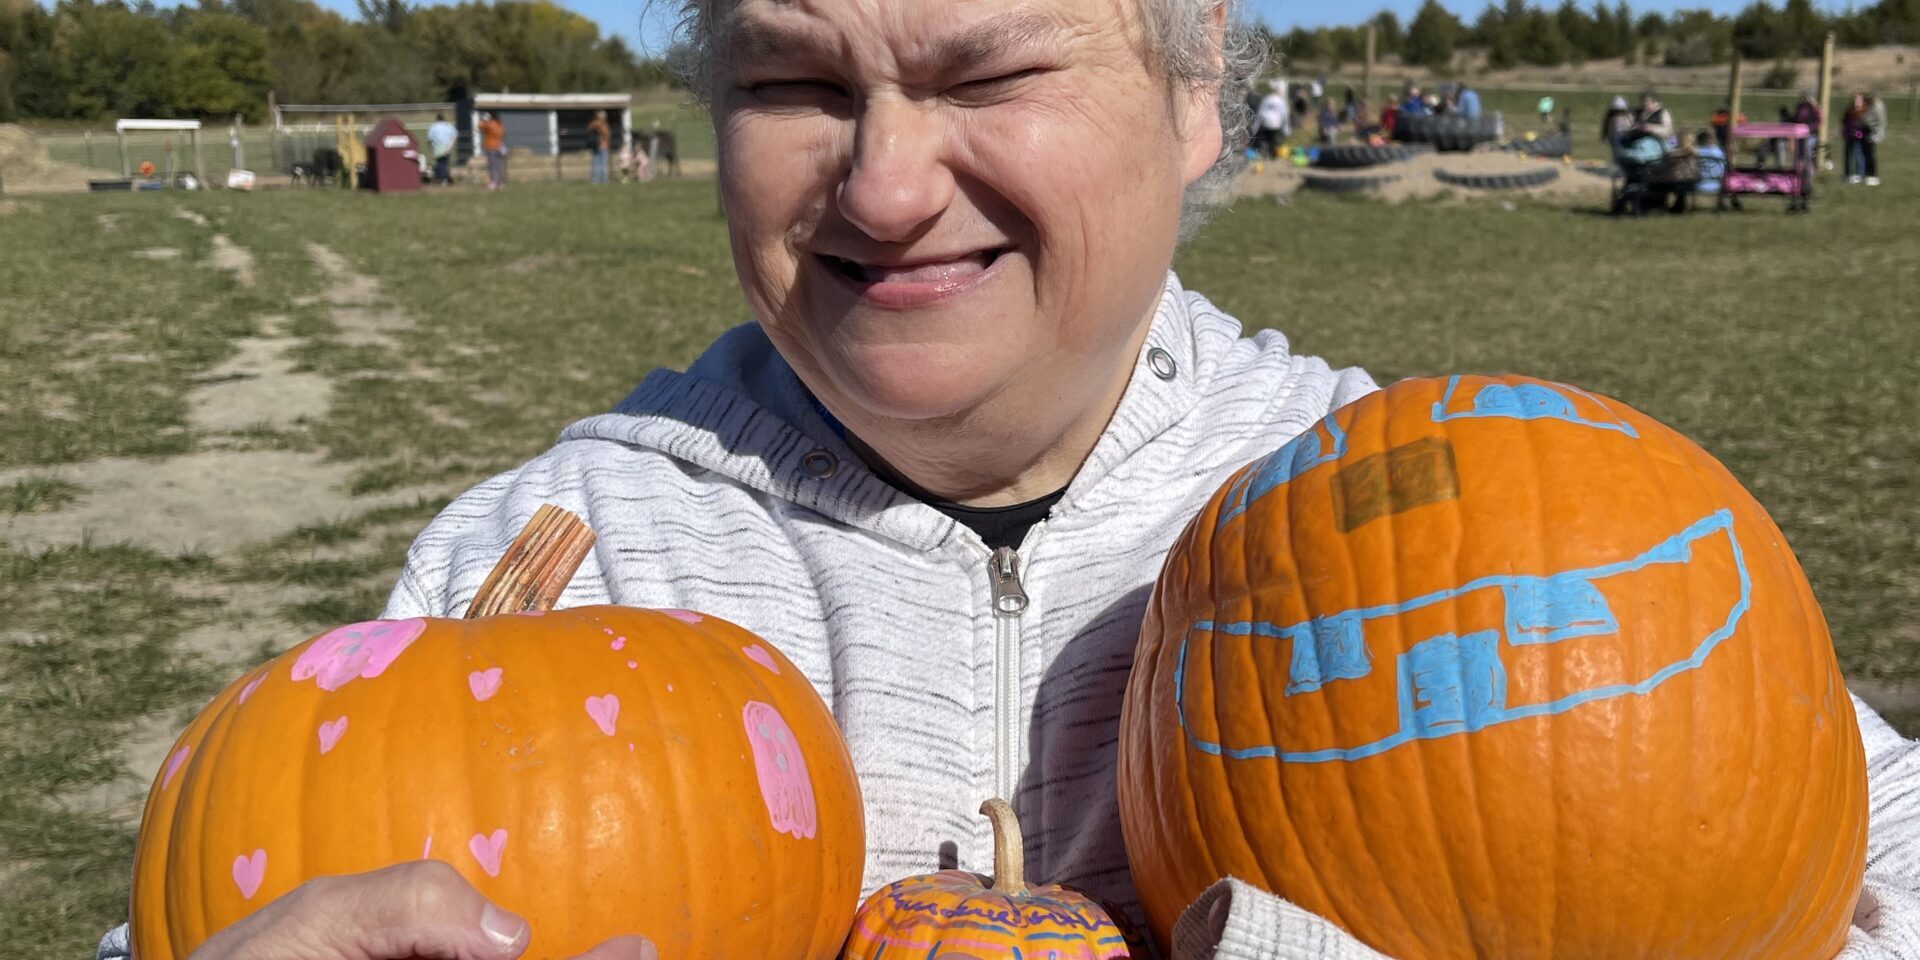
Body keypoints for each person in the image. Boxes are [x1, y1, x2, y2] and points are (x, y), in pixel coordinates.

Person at [101, 1, 1920, 958]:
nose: (885, 184)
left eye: (989, 73)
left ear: (1198, 91)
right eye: (798, 81)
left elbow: (1843, 840)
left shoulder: (1459, 512)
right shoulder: (548, 565)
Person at [1256, 80, 1289, 159]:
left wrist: (1256, 124)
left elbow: (1260, 112)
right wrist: (1286, 128)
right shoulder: (1281, 101)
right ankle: (1273, 155)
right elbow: (1284, 114)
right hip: (1276, 123)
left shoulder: (1266, 99)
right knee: (1274, 140)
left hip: (1266, 122)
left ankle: (1265, 154)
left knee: (1266, 139)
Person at [1844, 92, 1871, 184]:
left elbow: (1866, 125)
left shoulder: (1865, 111)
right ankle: (1848, 174)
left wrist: (1860, 133)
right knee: (1848, 155)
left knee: (1859, 155)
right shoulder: (1849, 110)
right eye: (1855, 99)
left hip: (1860, 138)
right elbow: (1845, 121)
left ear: (1862, 100)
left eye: (1859, 99)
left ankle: (1860, 174)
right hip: (1849, 136)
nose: (1857, 101)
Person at [478, 111, 507, 191]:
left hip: (490, 147)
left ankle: (493, 183)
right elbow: (502, 134)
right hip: (499, 147)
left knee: (492, 166)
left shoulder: (489, 123)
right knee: (499, 166)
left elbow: (479, 126)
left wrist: (483, 119)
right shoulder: (500, 124)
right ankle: (501, 183)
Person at [1693, 128, 1726, 198]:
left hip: (1697, 185)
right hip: (1717, 184)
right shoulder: (1718, 152)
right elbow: (1723, 169)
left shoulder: (1695, 152)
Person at [426, 112, 457, 186]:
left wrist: (430, 147)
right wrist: (449, 146)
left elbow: (430, 138)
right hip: (448, 146)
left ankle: (442, 179)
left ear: (437, 119)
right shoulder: (449, 126)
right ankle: (444, 178)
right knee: (445, 163)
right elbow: (454, 135)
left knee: (440, 163)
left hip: (437, 146)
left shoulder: (433, 127)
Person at [587, 109, 612, 185]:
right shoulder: (603, 124)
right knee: (602, 164)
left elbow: (589, 130)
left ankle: (595, 179)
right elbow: (607, 134)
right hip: (602, 146)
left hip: (595, 146)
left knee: (595, 163)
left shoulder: (593, 124)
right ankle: (603, 179)